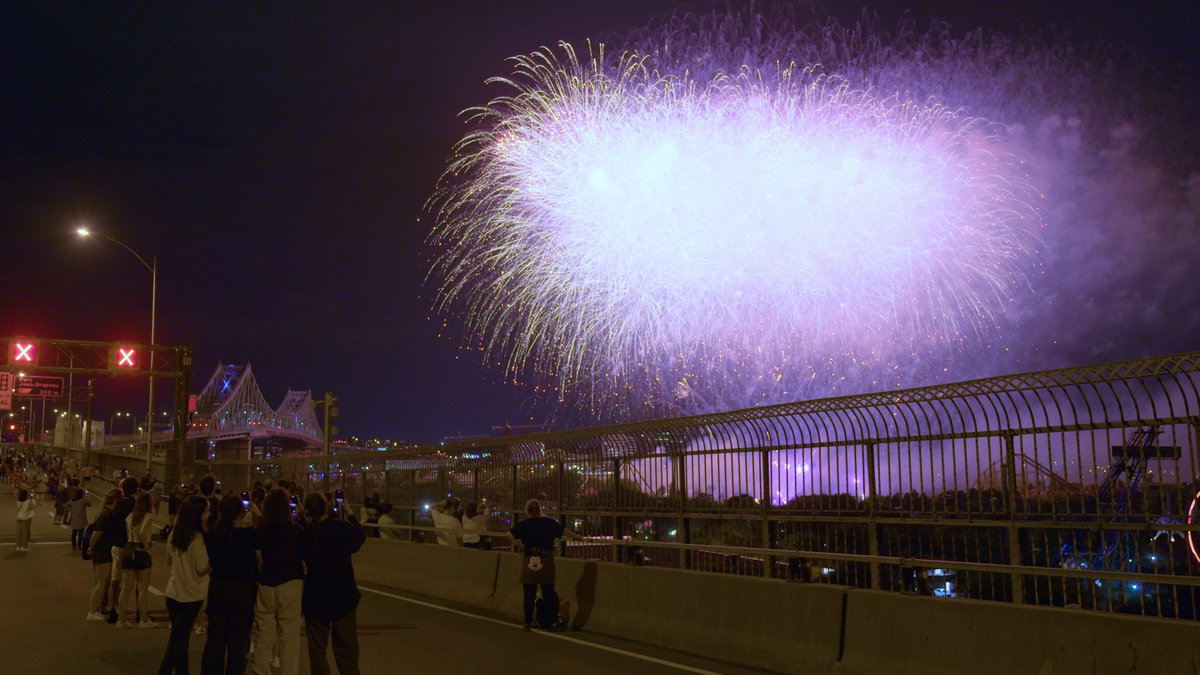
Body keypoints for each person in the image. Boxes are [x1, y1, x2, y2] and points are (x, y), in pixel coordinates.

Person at [301, 492, 365, 675]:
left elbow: (301, 553)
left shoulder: (307, 533)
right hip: (343, 596)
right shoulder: (342, 528)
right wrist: (349, 512)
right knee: (347, 648)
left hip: (316, 597)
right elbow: (359, 539)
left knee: (317, 649)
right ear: (327, 507)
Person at [201, 495, 260, 675]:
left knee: (215, 641)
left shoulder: (212, 535)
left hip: (218, 588)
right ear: (241, 513)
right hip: (243, 591)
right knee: (238, 644)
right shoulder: (248, 535)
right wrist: (256, 512)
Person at [250, 489, 305, 675]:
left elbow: (259, 560)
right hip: (291, 584)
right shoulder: (296, 531)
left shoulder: (261, 531)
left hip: (267, 584)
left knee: (264, 635)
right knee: (289, 638)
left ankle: (260, 671)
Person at [508, 498, 585, 631]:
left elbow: (509, 534)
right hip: (546, 559)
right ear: (540, 509)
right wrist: (577, 537)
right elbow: (564, 531)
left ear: (527, 511)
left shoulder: (524, 524)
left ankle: (527, 622)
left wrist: (518, 543)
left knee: (529, 593)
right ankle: (553, 621)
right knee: (548, 591)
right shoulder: (549, 523)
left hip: (529, 559)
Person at [159, 495, 212, 675]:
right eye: (206, 511)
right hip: (191, 596)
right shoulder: (197, 538)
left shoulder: (175, 533)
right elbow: (201, 568)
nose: (209, 514)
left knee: (181, 643)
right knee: (176, 645)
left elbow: (168, 560)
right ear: (198, 514)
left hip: (173, 592)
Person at [117, 492, 159, 629]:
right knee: (142, 589)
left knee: (126, 587)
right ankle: (144, 621)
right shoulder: (149, 516)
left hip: (128, 549)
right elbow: (142, 533)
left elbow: (129, 532)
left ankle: (121, 620)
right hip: (140, 551)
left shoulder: (130, 516)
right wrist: (146, 548)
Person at [107, 476, 140, 623]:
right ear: (136, 490)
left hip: (116, 544)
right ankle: (139, 612)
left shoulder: (117, 504)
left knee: (115, 580)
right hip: (131, 546)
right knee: (135, 581)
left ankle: (112, 609)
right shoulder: (137, 505)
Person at [87, 490, 122, 620]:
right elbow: (97, 533)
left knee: (103, 582)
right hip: (102, 551)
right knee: (101, 583)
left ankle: (98, 608)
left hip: (103, 551)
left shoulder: (107, 513)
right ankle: (92, 611)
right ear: (116, 501)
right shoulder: (106, 515)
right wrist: (91, 547)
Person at [67, 482, 90, 550]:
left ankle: (73, 545)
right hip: (82, 519)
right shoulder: (83, 500)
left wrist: (71, 509)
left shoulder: (73, 501)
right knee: (80, 533)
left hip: (74, 519)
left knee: (74, 533)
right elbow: (90, 504)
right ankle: (79, 545)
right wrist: (86, 495)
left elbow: (65, 505)